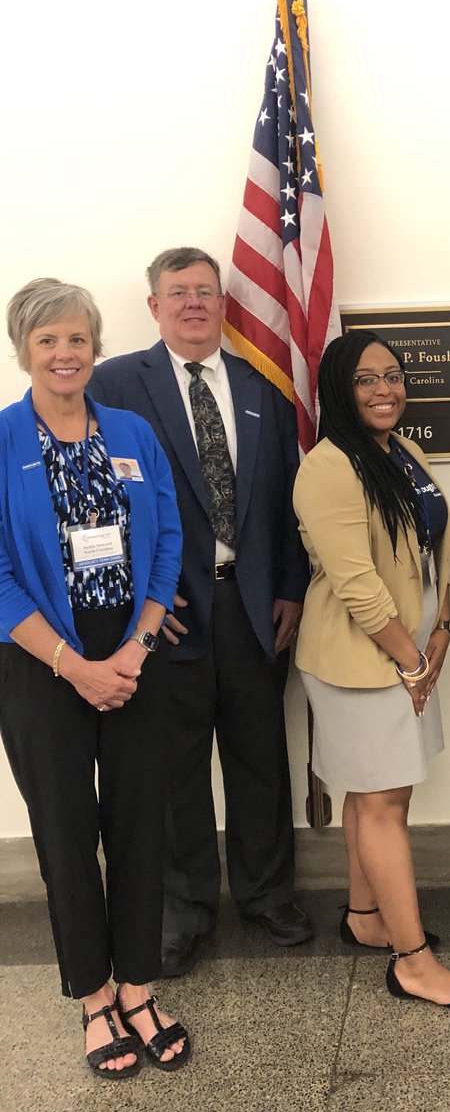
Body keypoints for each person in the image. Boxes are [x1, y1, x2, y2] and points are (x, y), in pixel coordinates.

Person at [88, 247, 311, 977]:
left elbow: (286, 498)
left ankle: (268, 896)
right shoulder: (114, 385)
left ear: (222, 304)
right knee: (175, 769)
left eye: (205, 291)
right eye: (178, 292)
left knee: (260, 757)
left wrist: (290, 586)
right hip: (168, 612)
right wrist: (143, 598)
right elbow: (97, 500)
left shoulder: (263, 384)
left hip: (253, 606)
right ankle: (183, 913)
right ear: (153, 306)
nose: (193, 303)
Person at [0, 278, 189, 1076]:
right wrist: (75, 667)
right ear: (23, 350)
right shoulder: (3, 439)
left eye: (77, 338)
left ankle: (139, 987)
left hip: (133, 654)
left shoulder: (132, 432)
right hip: (41, 659)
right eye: (47, 340)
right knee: (66, 831)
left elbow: (167, 539)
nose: (64, 353)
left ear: (96, 346)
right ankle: (93, 996)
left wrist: (137, 647)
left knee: (142, 822)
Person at [294, 329, 450, 1008]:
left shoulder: (401, 452)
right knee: (382, 803)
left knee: (376, 794)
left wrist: (443, 628)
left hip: (408, 651)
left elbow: (433, 552)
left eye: (393, 375)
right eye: (366, 379)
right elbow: (356, 585)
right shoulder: (329, 467)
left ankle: (365, 916)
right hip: (361, 661)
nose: (385, 389)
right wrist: (414, 662)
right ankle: (413, 963)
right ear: (339, 390)